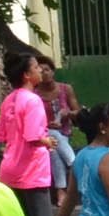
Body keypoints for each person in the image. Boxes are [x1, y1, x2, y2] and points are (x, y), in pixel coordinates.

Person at [0, 50, 59, 216]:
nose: (40, 70)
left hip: (9, 169)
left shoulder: (9, 99)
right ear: (26, 74)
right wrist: (48, 139)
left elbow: (2, 136)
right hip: (31, 170)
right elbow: (34, 136)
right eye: (35, 67)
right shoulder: (32, 100)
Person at [36, 56, 79, 194]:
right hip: (43, 134)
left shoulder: (66, 89)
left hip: (63, 134)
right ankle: (74, 163)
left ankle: (61, 191)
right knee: (52, 138)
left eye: (48, 70)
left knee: (53, 147)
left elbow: (78, 112)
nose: (45, 73)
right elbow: (33, 121)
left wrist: (68, 113)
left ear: (53, 71)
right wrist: (47, 125)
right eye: (41, 71)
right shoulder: (34, 94)